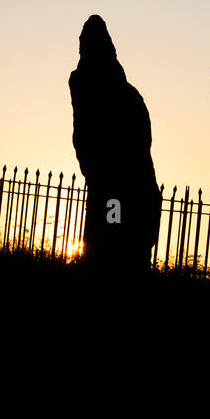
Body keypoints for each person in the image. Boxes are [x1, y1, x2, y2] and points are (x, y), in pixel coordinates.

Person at [68, 15, 161, 269]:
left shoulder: (96, 86)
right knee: (115, 247)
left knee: (111, 242)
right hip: (126, 189)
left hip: (118, 192)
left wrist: (98, 171)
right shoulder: (126, 94)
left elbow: (87, 140)